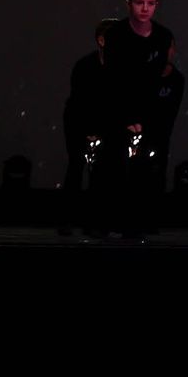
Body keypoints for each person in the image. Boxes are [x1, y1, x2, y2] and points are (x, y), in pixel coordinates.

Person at [90, 0, 178, 235]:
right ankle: (104, 223)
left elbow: (154, 79)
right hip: (116, 109)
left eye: (150, 4)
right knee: (112, 166)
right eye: (140, 2)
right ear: (129, 4)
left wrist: (143, 116)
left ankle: (136, 224)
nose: (145, 9)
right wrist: (126, 116)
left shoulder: (161, 35)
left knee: (144, 170)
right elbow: (115, 78)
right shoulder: (117, 34)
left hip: (148, 111)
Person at [58, 19, 109, 237]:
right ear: (101, 40)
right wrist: (88, 129)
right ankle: (68, 219)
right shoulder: (85, 66)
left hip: (105, 122)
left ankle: (95, 222)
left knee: (101, 171)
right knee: (77, 166)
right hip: (79, 121)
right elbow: (80, 99)